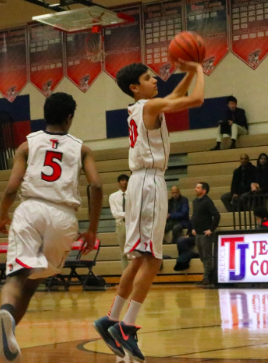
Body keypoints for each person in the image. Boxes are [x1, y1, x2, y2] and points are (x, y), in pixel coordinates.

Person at [0, 92, 103, 363]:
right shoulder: (82, 148)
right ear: (70, 117)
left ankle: (1, 326)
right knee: (33, 284)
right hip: (64, 216)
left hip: (30, 210)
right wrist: (91, 229)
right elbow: (96, 186)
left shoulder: (27, 145)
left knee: (16, 279)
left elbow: (11, 187)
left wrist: (2, 215)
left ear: (45, 115)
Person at [94, 60, 205, 361]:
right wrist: (200, 70)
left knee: (141, 257)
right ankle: (127, 325)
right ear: (134, 87)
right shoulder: (149, 107)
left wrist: (190, 73)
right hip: (148, 184)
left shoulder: (141, 107)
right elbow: (196, 100)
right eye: (147, 77)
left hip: (142, 183)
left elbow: (172, 97)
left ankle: (113, 319)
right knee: (153, 259)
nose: (155, 79)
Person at [191, 182, 221, 287]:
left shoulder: (207, 202)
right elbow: (194, 216)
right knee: (202, 256)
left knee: (207, 256)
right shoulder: (195, 201)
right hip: (198, 234)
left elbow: (217, 215)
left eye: (198, 188)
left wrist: (211, 229)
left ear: (204, 190)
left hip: (205, 235)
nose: (195, 189)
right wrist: (193, 228)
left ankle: (207, 278)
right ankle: (208, 276)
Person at [109, 174, 129, 271]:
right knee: (123, 252)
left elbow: (135, 212)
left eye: (126, 180)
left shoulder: (133, 195)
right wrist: (127, 214)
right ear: (118, 182)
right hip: (120, 224)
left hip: (132, 225)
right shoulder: (113, 196)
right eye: (122, 180)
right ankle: (125, 275)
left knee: (135, 252)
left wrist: (124, 214)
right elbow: (115, 214)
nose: (124, 182)